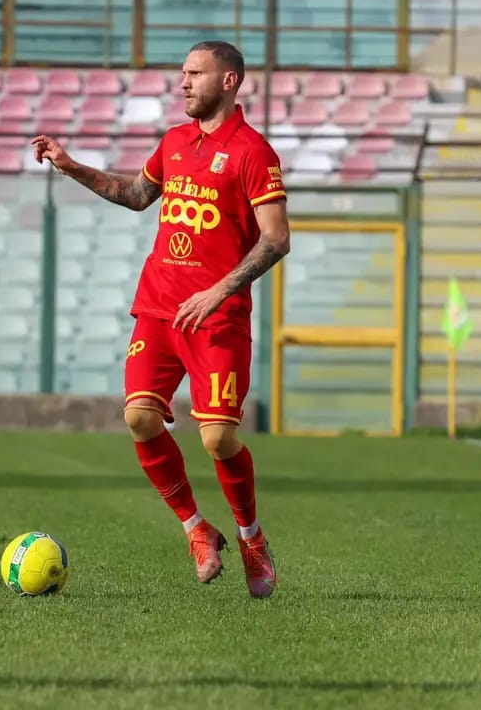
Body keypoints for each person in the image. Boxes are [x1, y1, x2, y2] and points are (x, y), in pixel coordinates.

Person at [30, 40, 290, 599]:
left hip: (216, 318)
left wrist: (220, 290)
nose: (183, 82)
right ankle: (198, 530)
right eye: (182, 73)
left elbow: (276, 238)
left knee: (219, 439)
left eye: (195, 73)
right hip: (158, 309)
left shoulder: (253, 153)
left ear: (229, 81)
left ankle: (250, 537)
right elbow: (133, 193)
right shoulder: (175, 143)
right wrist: (69, 164)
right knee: (140, 419)